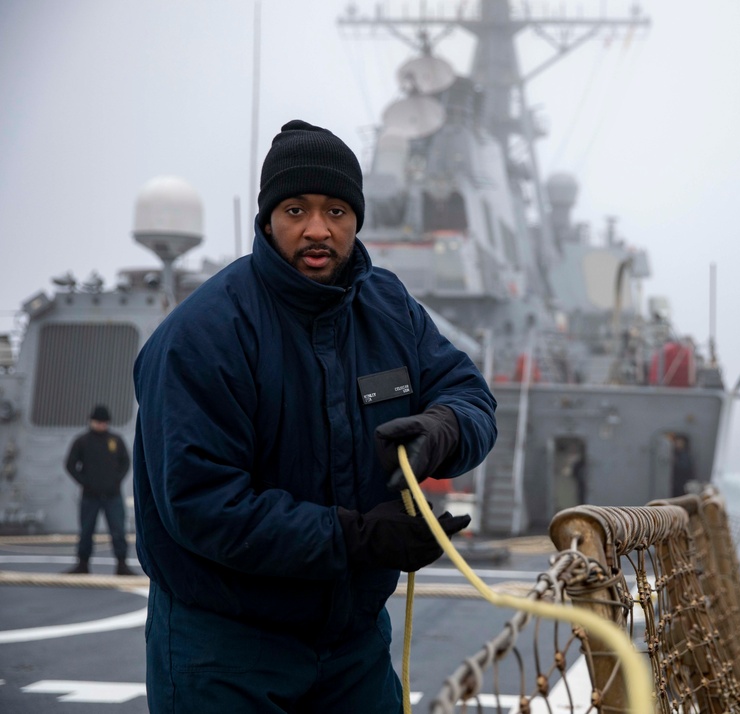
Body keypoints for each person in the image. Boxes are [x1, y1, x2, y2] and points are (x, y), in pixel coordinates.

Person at [132, 119, 497, 713]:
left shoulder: (390, 308)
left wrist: (444, 429)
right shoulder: (201, 335)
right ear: (269, 218)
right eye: (296, 210)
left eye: (335, 210)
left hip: (353, 648)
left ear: (356, 219)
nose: (317, 230)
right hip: (225, 650)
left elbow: (469, 394)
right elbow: (202, 505)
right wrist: (356, 539)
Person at [64, 404, 135, 575]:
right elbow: (70, 464)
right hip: (90, 495)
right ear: (91, 421)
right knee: (86, 530)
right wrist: (84, 482)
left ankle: (121, 564)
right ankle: (83, 564)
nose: (101, 425)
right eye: (98, 421)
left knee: (118, 530)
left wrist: (116, 480)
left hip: (113, 494)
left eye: (104, 422)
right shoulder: (82, 441)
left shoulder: (115, 440)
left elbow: (125, 462)